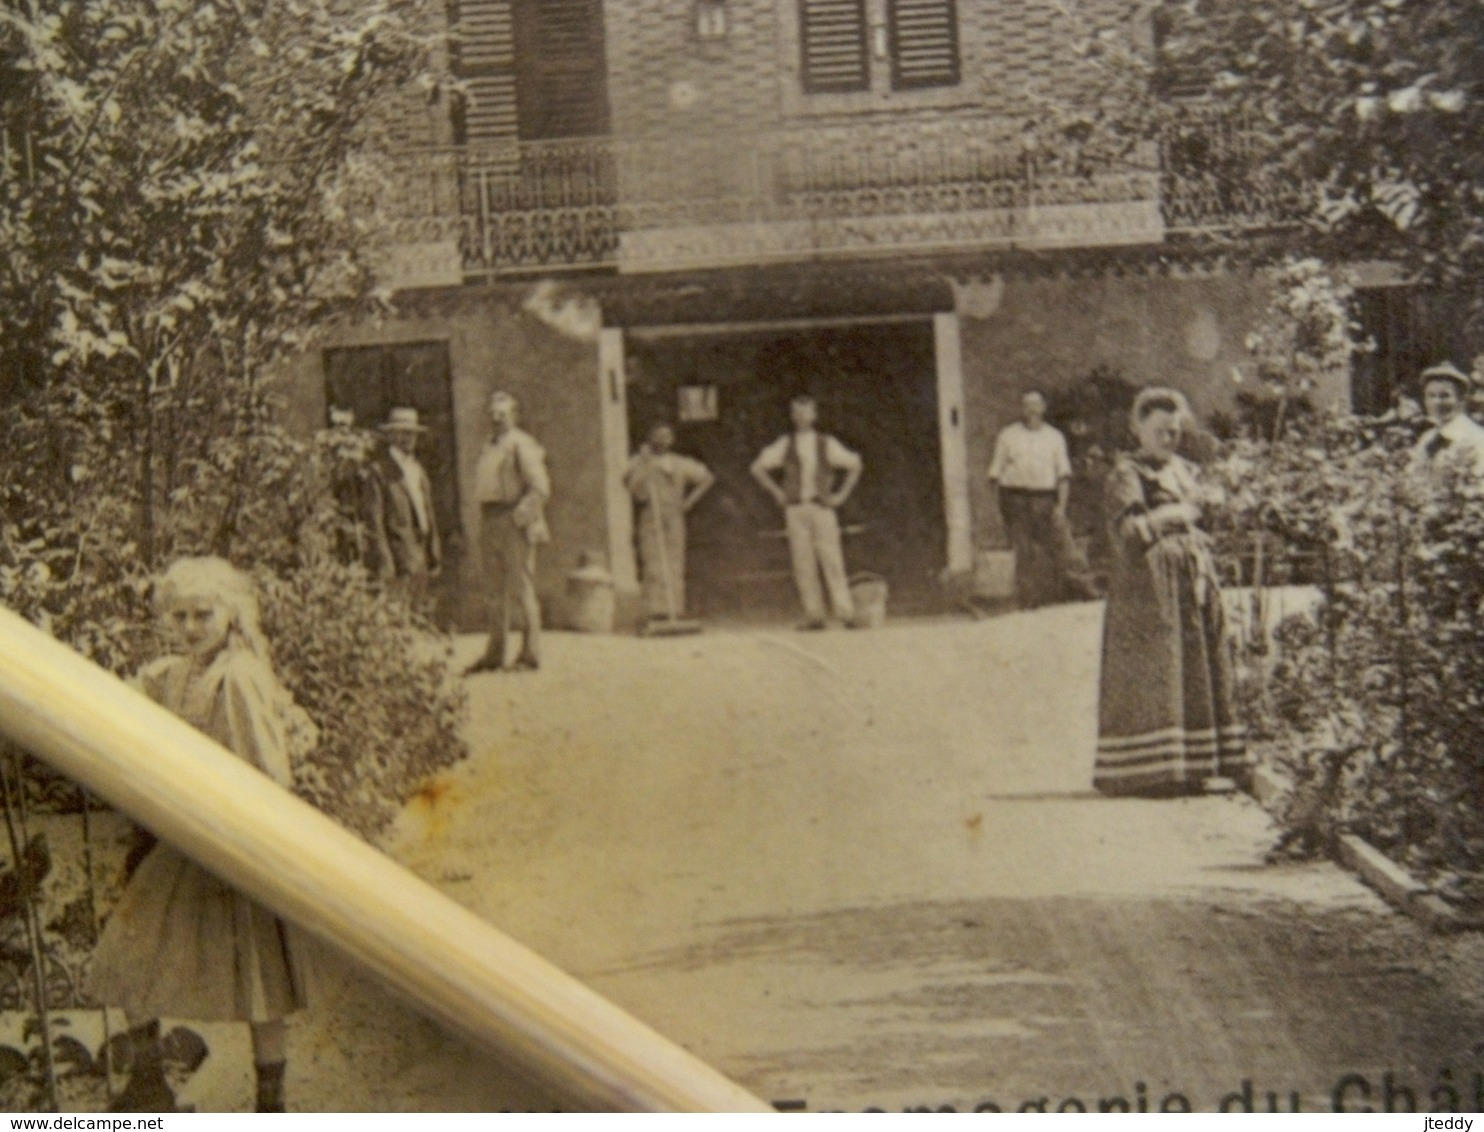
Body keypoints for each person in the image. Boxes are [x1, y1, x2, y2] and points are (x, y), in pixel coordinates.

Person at [87, 557, 317, 1112]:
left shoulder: (237, 675)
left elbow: (267, 770)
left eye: (203, 615)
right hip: (186, 839)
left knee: (261, 983)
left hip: (238, 843)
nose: (191, 627)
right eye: (180, 616)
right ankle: (147, 1088)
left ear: (230, 615)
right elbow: (126, 697)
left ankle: (271, 1103)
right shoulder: (178, 671)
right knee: (127, 956)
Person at [1094, 387, 1248, 796]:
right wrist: (1177, 514)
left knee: (1197, 661)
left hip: (1190, 583)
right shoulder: (1126, 475)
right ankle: (1148, 771)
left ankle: (1196, 765)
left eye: (1175, 432)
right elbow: (1129, 534)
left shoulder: (1187, 471)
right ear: (1136, 429)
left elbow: (1211, 517)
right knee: (1158, 666)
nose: (1168, 439)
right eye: (1160, 430)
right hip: (1148, 589)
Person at [750, 395, 863, 630]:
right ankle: (814, 616)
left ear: (814, 415)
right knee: (803, 562)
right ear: (792, 416)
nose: (801, 417)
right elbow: (757, 468)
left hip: (821, 507)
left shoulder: (826, 442)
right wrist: (777, 493)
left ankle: (846, 613)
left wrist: (841, 496)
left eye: (806, 412)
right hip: (796, 508)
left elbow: (855, 464)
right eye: (797, 412)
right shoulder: (785, 443)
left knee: (831, 559)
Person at [987, 389, 1098, 609]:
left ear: (1044, 408)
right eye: (1027, 405)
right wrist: (1000, 507)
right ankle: (1028, 601)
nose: (1032, 409)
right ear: (1022, 409)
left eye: (1036, 405)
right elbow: (995, 474)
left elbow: (1063, 475)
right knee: (1023, 549)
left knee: (1061, 544)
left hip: (1045, 498)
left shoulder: (1054, 437)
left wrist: (1061, 507)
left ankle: (1083, 590)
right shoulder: (1008, 435)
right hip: (1015, 498)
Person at [466, 392, 550, 673]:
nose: (496, 419)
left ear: (513, 417)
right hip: (489, 519)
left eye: (502, 414)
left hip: (513, 520)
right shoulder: (488, 447)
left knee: (521, 588)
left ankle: (530, 655)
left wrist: (519, 518)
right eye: (492, 414)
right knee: (494, 591)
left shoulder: (521, 444)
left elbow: (540, 488)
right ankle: (495, 654)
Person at [624, 423, 714, 623]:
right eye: (657, 436)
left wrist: (688, 502)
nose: (661, 441)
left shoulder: (679, 462)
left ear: (672, 440)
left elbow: (707, 478)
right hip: (651, 515)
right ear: (649, 438)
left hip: (673, 516)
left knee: (674, 561)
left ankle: (675, 609)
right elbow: (633, 489)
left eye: (666, 437)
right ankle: (655, 611)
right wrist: (646, 465)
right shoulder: (639, 462)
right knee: (653, 561)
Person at [369, 407, 441, 608]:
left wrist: (433, 551)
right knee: (400, 615)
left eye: (412, 433)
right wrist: (385, 562)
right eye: (402, 432)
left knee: (421, 612)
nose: (408, 438)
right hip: (398, 555)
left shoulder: (417, 470)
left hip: (421, 552)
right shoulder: (380, 471)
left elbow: (428, 513)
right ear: (391, 435)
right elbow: (375, 521)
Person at [1411, 361, 1484, 473]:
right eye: (1431, 396)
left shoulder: (1477, 438)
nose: (1437, 402)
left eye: (1445, 396)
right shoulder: (1427, 439)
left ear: (1461, 400)